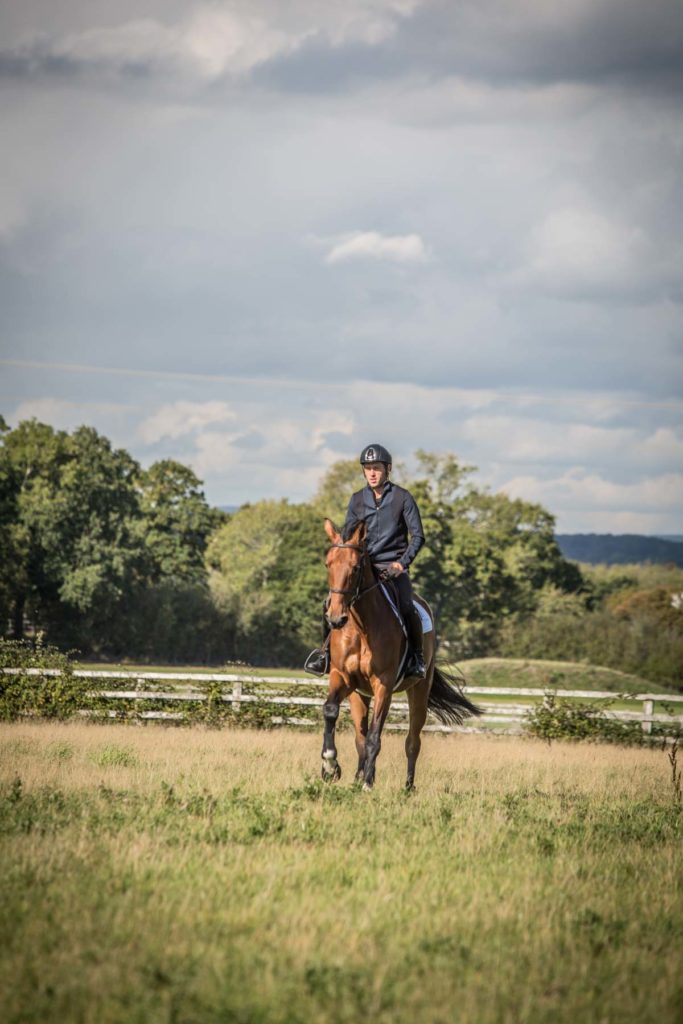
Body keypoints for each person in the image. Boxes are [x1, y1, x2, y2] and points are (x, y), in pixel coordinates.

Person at [305, 443, 426, 678]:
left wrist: (402, 563)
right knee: (329, 603)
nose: (372, 473)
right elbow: (349, 534)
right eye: (368, 468)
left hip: (393, 568)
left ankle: (416, 658)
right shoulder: (357, 499)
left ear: (387, 469)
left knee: (408, 606)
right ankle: (325, 655)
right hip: (363, 569)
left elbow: (418, 536)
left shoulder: (403, 498)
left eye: (376, 468)